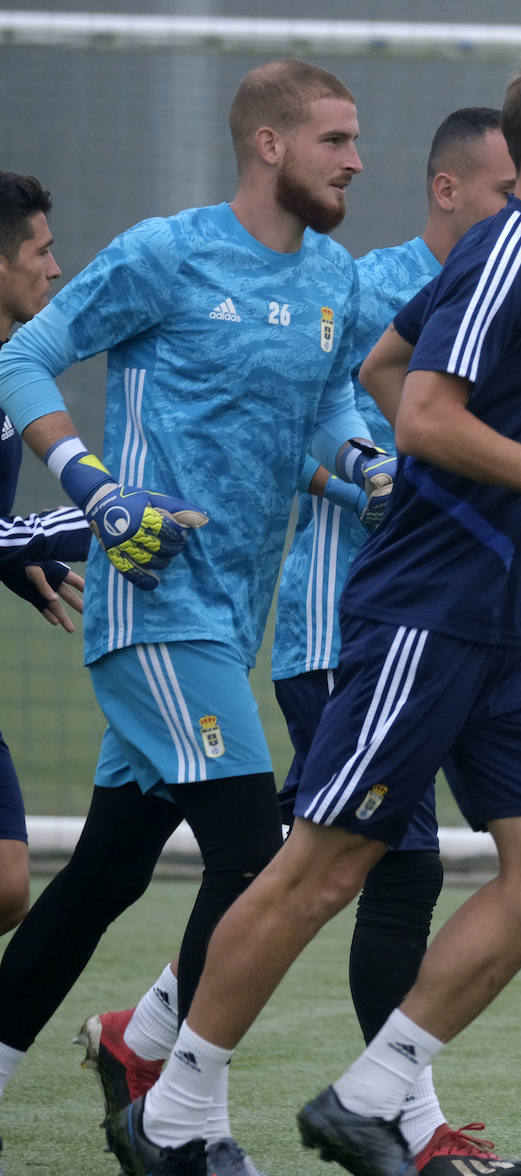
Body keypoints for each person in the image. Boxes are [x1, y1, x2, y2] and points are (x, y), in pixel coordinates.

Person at [110, 52, 521, 1176]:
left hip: (504, 623)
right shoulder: (513, 254)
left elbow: (385, 357)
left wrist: (504, 490)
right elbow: (420, 415)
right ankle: (172, 1115)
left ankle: (371, 1093)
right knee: (323, 867)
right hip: (425, 618)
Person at [0, 60, 396, 1176]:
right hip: (154, 606)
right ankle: (178, 1111)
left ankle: (104, 1061)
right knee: (255, 852)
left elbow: (323, 405)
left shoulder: (329, 275)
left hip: (229, 616)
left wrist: (366, 466)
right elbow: (23, 356)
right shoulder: (165, 253)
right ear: (269, 146)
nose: (355, 161)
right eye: (335, 141)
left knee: (106, 875)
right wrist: (93, 487)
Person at [0, 170, 91, 1176]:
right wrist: (88, 516)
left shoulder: (9, 366)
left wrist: (22, 565)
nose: (57, 266)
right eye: (40, 251)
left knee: (7, 886)